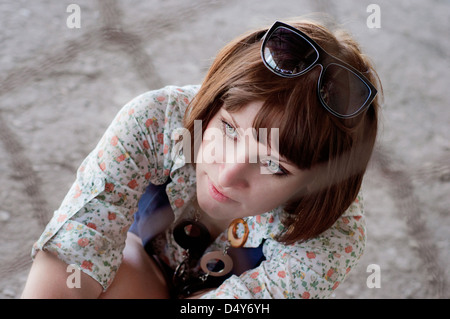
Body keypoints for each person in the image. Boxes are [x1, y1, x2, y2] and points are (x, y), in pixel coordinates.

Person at [21, 17, 382, 299]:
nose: (228, 175)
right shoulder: (157, 121)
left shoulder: (332, 238)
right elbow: (80, 244)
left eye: (274, 165)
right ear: (213, 102)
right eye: (228, 130)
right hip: (140, 266)